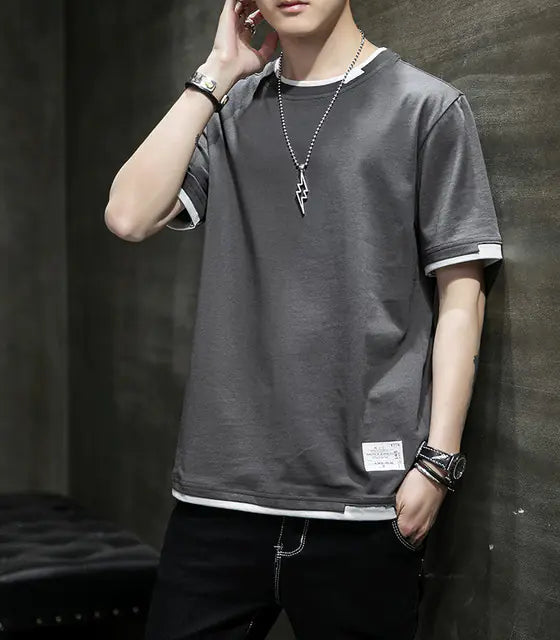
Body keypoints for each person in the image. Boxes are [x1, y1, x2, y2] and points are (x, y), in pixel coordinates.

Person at [105, 0, 504, 638]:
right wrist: (216, 72)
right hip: (220, 498)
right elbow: (128, 216)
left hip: (365, 505)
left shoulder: (425, 108)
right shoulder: (229, 111)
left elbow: (463, 295)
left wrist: (439, 463)